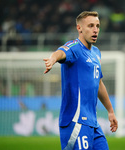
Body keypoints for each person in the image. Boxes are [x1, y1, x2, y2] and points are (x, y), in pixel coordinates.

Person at [43, 11, 118, 150]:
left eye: (97, 26)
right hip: (76, 122)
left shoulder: (96, 53)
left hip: (93, 123)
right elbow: (60, 52)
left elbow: (99, 83)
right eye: (90, 26)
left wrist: (110, 111)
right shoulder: (75, 48)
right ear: (79, 28)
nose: (95, 30)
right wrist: (53, 59)